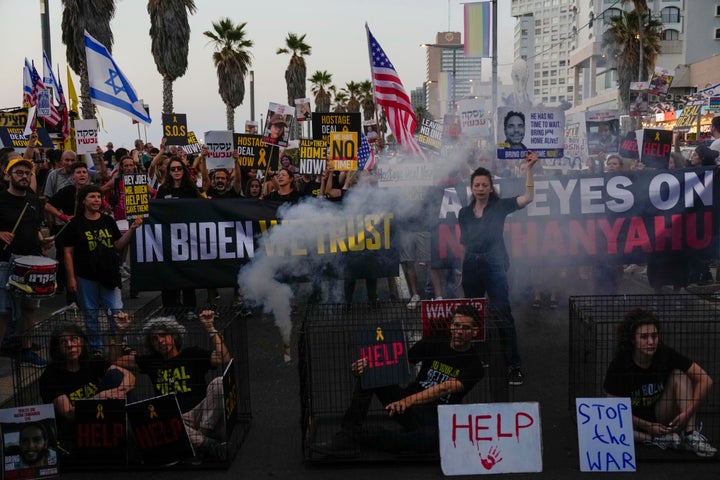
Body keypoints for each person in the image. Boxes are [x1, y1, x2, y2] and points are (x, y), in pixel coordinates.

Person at [313, 305, 485, 456]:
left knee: (429, 440)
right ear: (450, 326)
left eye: (466, 328)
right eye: (456, 326)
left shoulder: (475, 365)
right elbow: (398, 362)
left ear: (475, 331)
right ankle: (347, 436)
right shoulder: (435, 342)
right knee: (371, 373)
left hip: (435, 416)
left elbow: (445, 388)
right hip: (408, 406)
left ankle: (369, 436)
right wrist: (365, 365)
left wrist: (406, 401)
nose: (460, 331)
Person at [457, 151, 538, 386]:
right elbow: (463, 244)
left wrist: (530, 171)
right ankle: (478, 358)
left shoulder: (500, 206)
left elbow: (528, 197)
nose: (481, 188)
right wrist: (462, 271)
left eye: (485, 185)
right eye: (477, 185)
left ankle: (514, 366)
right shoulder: (464, 213)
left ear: (491, 188)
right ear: (472, 188)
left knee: (503, 314)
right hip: (471, 264)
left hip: (494, 263)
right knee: (474, 313)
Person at [112, 311, 231, 459]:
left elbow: (224, 358)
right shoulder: (151, 361)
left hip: (202, 412)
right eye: (155, 339)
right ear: (152, 344)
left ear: (174, 335)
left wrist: (210, 327)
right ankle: (205, 444)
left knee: (219, 382)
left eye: (163, 335)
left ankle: (200, 436)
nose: (160, 341)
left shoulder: (192, 354)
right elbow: (116, 360)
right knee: (154, 418)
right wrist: (121, 331)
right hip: (173, 419)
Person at [603, 308, 717, 457]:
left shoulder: (664, 353)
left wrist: (687, 413)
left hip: (659, 413)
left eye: (654, 336)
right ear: (632, 339)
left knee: (679, 375)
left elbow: (705, 379)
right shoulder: (620, 363)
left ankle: (690, 435)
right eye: (644, 337)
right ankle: (655, 439)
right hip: (631, 420)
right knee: (610, 427)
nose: (651, 342)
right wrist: (648, 426)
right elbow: (612, 409)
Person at [64, 184, 142, 355]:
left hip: (109, 275)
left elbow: (118, 245)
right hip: (85, 276)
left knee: (115, 311)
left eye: (99, 197)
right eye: (92, 197)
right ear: (83, 200)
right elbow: (68, 252)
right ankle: (96, 348)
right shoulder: (75, 224)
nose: (96, 200)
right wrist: (71, 278)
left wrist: (132, 230)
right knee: (91, 314)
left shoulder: (108, 220)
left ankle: (121, 343)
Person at [38, 323, 135, 452]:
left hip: (101, 417)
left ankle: (129, 437)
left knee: (116, 377)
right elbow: (69, 413)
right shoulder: (51, 375)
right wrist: (99, 398)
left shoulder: (92, 361)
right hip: (77, 428)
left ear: (82, 342)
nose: (70, 345)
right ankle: (129, 443)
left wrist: (118, 391)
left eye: (74, 339)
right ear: (57, 348)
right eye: (64, 342)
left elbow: (130, 376)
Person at [0, 155, 53, 367]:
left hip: (31, 259)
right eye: (19, 173)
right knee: (3, 311)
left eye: (27, 173)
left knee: (29, 309)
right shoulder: (0, 198)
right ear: (8, 175)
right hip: (5, 260)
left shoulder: (32, 198)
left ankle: (26, 348)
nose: (24, 176)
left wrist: (43, 241)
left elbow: (36, 227)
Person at [155, 157, 203, 309]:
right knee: (168, 271)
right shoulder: (163, 190)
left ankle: (189, 307)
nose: (176, 171)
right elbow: (156, 209)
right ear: (168, 172)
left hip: (187, 238)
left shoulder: (191, 188)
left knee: (186, 271)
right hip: (168, 237)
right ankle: (170, 307)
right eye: (173, 169)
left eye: (179, 168)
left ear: (184, 170)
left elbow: (200, 208)